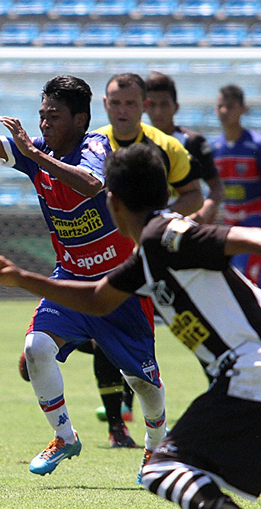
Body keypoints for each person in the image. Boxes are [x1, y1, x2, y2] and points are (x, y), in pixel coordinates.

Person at [0, 142, 261, 509]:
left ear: (112, 202)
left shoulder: (168, 235)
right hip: (241, 375)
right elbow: (97, 299)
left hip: (248, 370)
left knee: (162, 470)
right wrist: (22, 279)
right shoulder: (148, 252)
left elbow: (244, 239)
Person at [0, 75, 167, 479]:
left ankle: (156, 446)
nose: (44, 124)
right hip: (70, 278)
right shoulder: (37, 150)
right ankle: (65, 436)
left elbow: (92, 184)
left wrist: (33, 155)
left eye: (53, 116)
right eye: (42, 116)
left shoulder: (95, 145)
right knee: (36, 348)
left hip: (119, 284)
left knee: (142, 382)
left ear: (80, 119)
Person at [80, 72, 206, 446]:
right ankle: (116, 425)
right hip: (100, 254)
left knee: (146, 333)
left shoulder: (166, 146)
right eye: (115, 103)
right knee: (106, 325)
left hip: (148, 254)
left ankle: (67, 338)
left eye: (131, 103)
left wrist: (152, 223)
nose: (122, 110)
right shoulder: (92, 145)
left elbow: (194, 196)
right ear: (104, 105)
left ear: (144, 106)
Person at [146, 71, 224, 225]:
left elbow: (217, 188)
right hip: (152, 226)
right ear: (144, 107)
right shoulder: (137, 143)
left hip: (187, 226)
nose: (158, 111)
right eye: (152, 105)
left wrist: (201, 215)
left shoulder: (193, 142)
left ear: (175, 107)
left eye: (164, 104)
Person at [212, 83, 261, 286]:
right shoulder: (213, 148)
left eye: (230, 106)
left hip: (255, 225)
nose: (224, 111)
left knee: (250, 281)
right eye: (220, 106)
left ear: (243, 109)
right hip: (229, 227)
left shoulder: (256, 146)